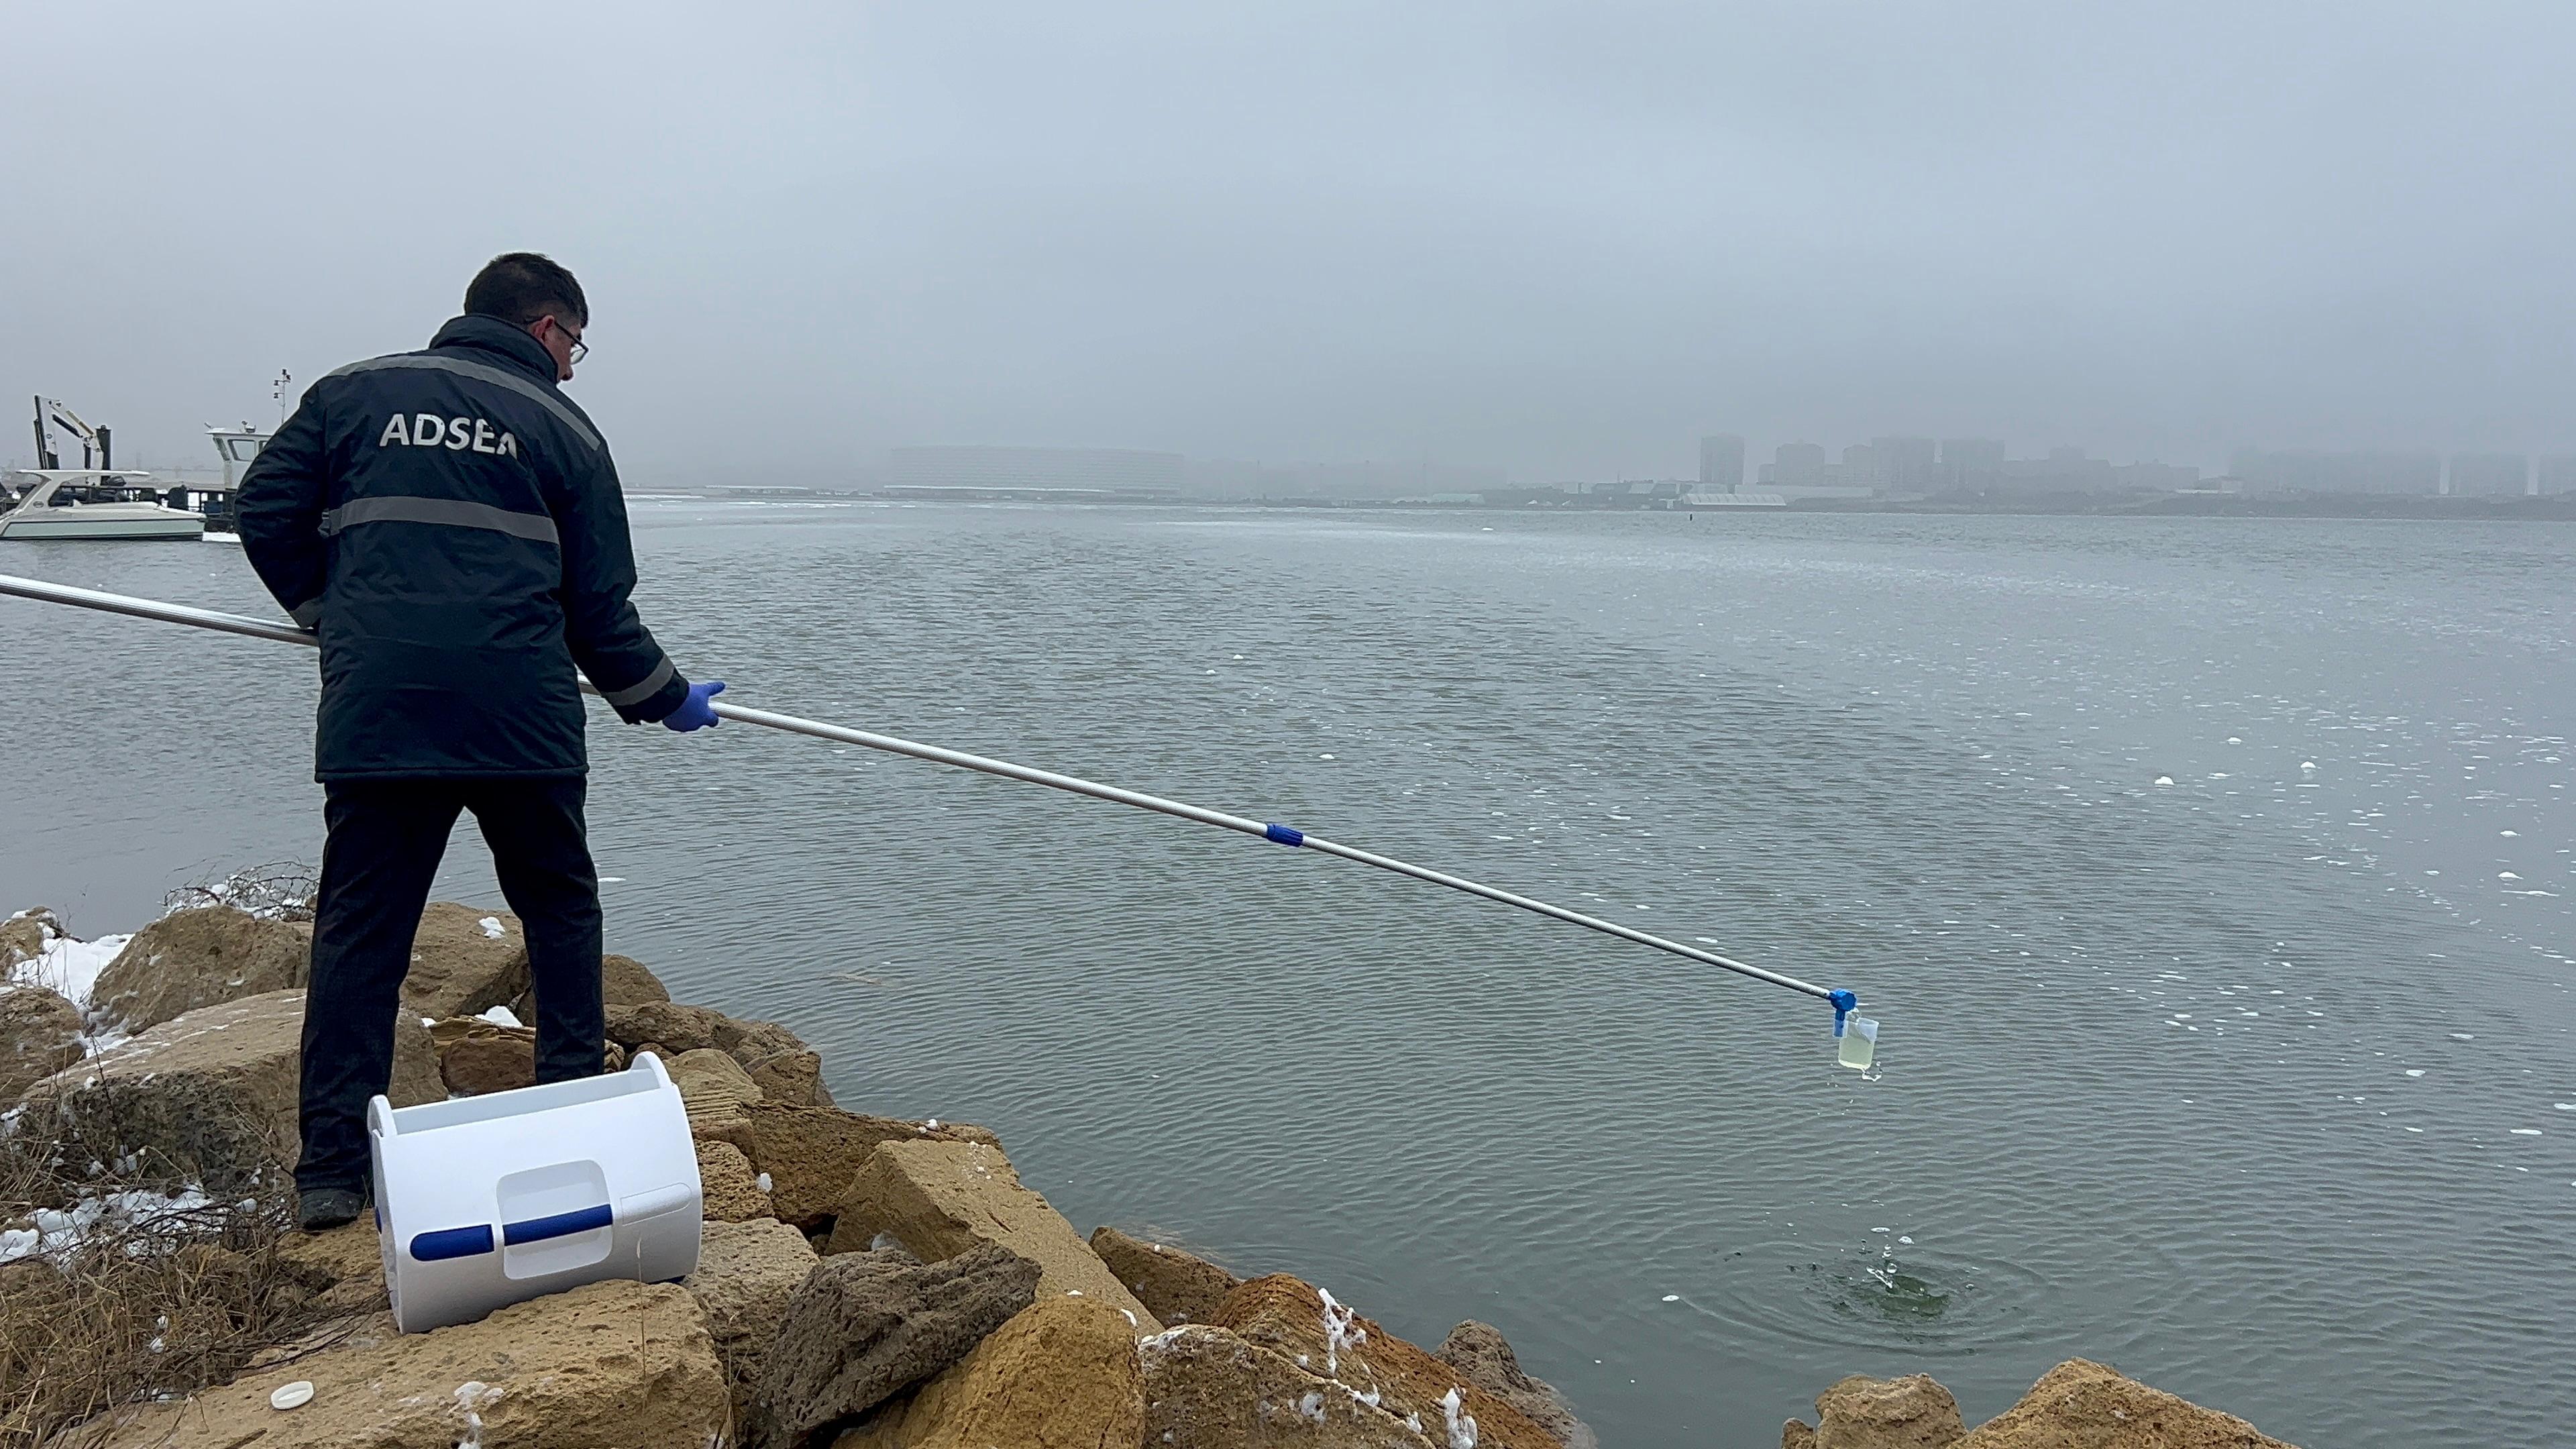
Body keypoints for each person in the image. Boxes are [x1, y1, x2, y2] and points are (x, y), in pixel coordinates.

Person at [236, 252, 724, 1230]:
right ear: (547, 328)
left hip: (384, 712)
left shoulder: (354, 394)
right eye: (577, 344)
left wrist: (329, 613)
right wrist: (664, 698)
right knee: (560, 914)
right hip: (522, 722)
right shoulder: (565, 429)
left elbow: (261, 511)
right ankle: (576, 1120)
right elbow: (598, 611)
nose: (577, 367)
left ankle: (331, 1175)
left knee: (361, 939)